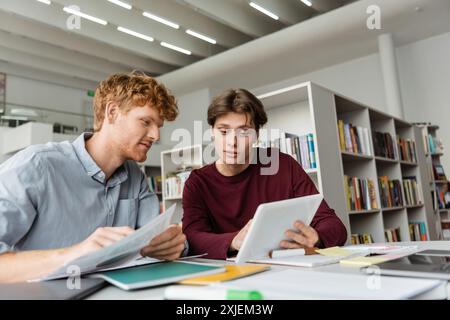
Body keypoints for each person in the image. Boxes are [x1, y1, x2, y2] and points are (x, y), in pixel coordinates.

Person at [0, 72, 186, 282]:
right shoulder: (36, 165)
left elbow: (156, 236)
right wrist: (73, 255)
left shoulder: (135, 176)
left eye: (158, 126)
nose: (156, 135)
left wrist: (172, 242)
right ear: (112, 112)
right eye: (146, 122)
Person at [182, 89, 347, 259]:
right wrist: (234, 240)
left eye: (244, 132)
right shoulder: (197, 182)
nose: (232, 142)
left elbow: (336, 227)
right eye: (223, 132)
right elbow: (192, 239)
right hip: (227, 274)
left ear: (257, 135)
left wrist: (317, 238)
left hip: (283, 269)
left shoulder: (283, 165)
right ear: (212, 132)